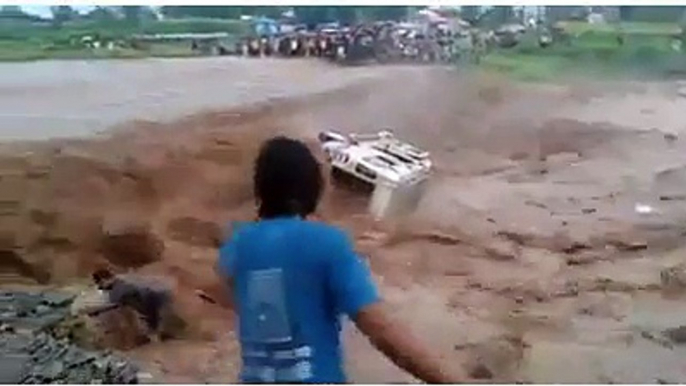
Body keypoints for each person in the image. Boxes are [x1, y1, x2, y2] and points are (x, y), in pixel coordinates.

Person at [216, 136, 464, 383]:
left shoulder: (236, 247)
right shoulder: (328, 243)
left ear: (260, 189)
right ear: (313, 187)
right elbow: (381, 331)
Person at [86, 268, 185, 343]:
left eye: (100, 284)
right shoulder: (123, 279)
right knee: (155, 319)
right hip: (160, 295)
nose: (101, 288)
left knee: (155, 321)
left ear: (104, 280)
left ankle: (162, 338)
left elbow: (114, 304)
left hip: (156, 299)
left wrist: (96, 311)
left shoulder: (118, 289)